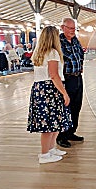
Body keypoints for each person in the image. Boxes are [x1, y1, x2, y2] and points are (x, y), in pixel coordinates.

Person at [27, 26, 71, 164]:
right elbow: (53, 75)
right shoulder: (52, 52)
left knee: (53, 122)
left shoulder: (39, 52)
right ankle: (45, 154)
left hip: (40, 88)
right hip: (50, 89)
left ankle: (50, 149)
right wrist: (64, 93)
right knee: (49, 124)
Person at [56, 18, 85, 148]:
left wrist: (81, 65)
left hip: (77, 77)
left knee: (76, 106)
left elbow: (80, 54)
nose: (73, 31)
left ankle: (71, 131)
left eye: (74, 28)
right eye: (70, 28)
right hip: (66, 78)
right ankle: (61, 136)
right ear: (63, 27)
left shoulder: (75, 40)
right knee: (66, 107)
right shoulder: (58, 41)